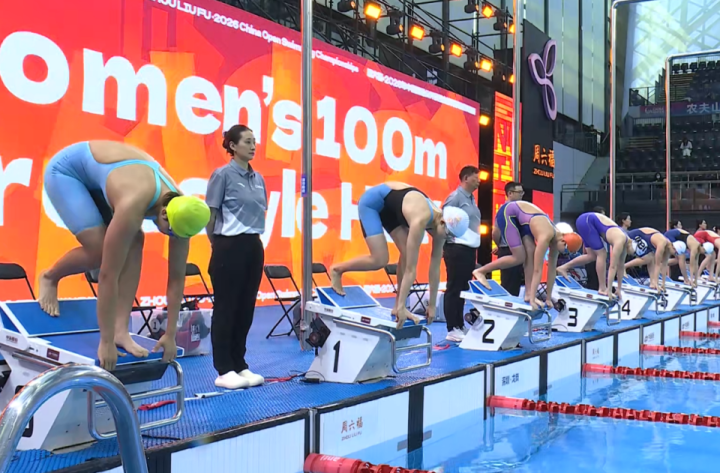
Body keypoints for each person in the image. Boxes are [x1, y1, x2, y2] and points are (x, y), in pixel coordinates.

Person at [39, 141, 211, 371]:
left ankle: (121, 331)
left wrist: (171, 334)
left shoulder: (184, 211)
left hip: (108, 177)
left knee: (135, 240)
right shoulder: (134, 201)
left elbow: (177, 278)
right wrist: (105, 342)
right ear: (163, 214)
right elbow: (108, 275)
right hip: (67, 172)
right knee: (99, 251)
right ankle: (50, 277)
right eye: (171, 233)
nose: (173, 238)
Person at [330, 182, 470, 330]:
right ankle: (337, 269)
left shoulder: (443, 227)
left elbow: (435, 268)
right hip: (373, 203)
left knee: (406, 253)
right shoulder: (420, 219)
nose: (448, 239)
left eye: (452, 237)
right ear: (442, 222)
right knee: (380, 260)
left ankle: (397, 306)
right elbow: (410, 269)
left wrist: (432, 305)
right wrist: (404, 306)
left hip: (394, 210)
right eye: (448, 235)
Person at [205, 125, 267, 390]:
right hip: (228, 245)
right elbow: (210, 215)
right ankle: (224, 368)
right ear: (232, 146)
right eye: (247, 141)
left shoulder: (259, 178)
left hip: (253, 245)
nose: (253, 146)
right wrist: (219, 245)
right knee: (226, 308)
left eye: (254, 141)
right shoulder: (222, 175)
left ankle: (239, 363)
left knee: (246, 308)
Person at [473, 200, 567, 310]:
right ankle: (481, 271)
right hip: (509, 213)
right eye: (567, 250)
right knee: (519, 257)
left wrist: (548, 298)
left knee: (530, 253)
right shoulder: (546, 236)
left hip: (525, 221)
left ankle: (528, 294)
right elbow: (537, 270)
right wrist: (533, 299)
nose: (564, 253)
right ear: (564, 241)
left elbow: (552, 270)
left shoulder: (557, 241)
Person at [442, 166, 482, 342]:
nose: (479, 181)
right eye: (476, 177)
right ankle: (452, 328)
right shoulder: (455, 197)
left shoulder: (471, 199)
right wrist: (448, 242)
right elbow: (443, 221)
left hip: (469, 249)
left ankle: (459, 325)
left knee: (463, 288)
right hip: (456, 248)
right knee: (454, 288)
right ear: (466, 178)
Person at [556, 212, 631, 298]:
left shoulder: (626, 242)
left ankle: (563, 267)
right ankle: (602, 288)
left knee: (592, 256)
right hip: (587, 221)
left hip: (586, 221)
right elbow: (613, 267)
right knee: (602, 254)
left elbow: (621, 266)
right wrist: (609, 290)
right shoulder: (621, 240)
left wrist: (619, 289)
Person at [495, 182, 525, 296]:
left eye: (522, 192)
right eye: (519, 192)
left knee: (514, 285)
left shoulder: (516, 210)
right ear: (510, 193)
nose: (521, 195)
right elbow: (495, 232)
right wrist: (501, 246)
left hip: (514, 250)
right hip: (508, 250)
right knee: (509, 287)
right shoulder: (505, 210)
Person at [665, 222, 704, 287]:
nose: (704, 253)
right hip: (671, 235)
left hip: (678, 236)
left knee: (678, 260)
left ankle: (661, 263)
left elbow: (696, 265)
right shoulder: (695, 247)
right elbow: (691, 265)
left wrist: (696, 281)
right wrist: (691, 281)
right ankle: (686, 280)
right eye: (705, 251)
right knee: (681, 257)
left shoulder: (698, 249)